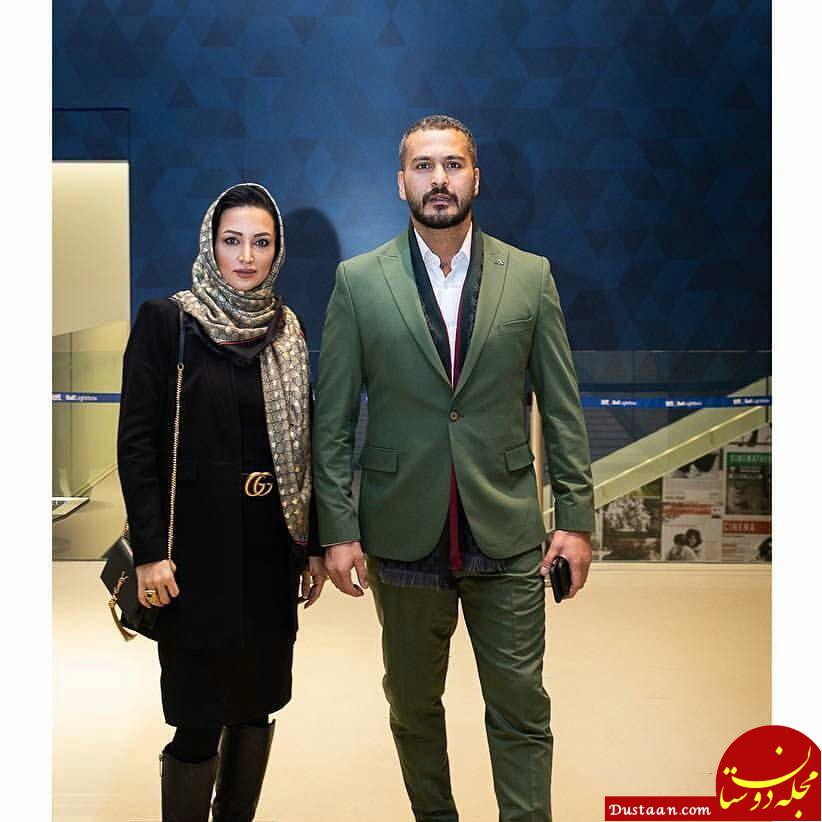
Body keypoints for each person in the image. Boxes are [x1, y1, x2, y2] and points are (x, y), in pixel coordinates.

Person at [313, 115, 595, 822]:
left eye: (452, 165)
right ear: (400, 182)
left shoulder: (530, 276)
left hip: (507, 533)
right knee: (412, 707)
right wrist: (337, 528)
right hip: (401, 535)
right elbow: (333, 421)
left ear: (476, 178)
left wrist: (575, 520)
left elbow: (561, 407)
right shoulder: (358, 282)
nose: (438, 180)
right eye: (423, 166)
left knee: (522, 708)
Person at [117, 183, 326, 821]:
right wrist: (149, 552)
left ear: (277, 251)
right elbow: (137, 445)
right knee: (197, 718)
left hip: (268, 552)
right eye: (232, 241)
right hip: (192, 557)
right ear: (211, 244)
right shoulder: (168, 322)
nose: (246, 256)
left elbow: (305, 443)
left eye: (261, 242)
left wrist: (312, 546)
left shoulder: (287, 330)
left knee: (256, 707)